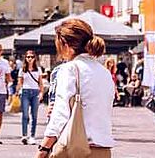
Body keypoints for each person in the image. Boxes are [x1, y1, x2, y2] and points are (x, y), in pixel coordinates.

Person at [38, 19, 115, 158]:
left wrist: (44, 148)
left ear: (66, 45)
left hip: (75, 148)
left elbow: (61, 113)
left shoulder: (70, 69)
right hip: (103, 149)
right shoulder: (105, 72)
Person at [18, 51, 45, 145]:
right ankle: (24, 135)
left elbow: (40, 82)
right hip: (25, 91)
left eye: (32, 57)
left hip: (35, 92)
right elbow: (20, 82)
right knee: (25, 115)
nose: (30, 58)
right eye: (28, 57)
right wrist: (20, 91)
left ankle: (32, 136)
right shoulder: (22, 69)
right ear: (25, 58)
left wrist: (41, 93)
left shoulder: (38, 69)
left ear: (35, 58)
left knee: (34, 115)